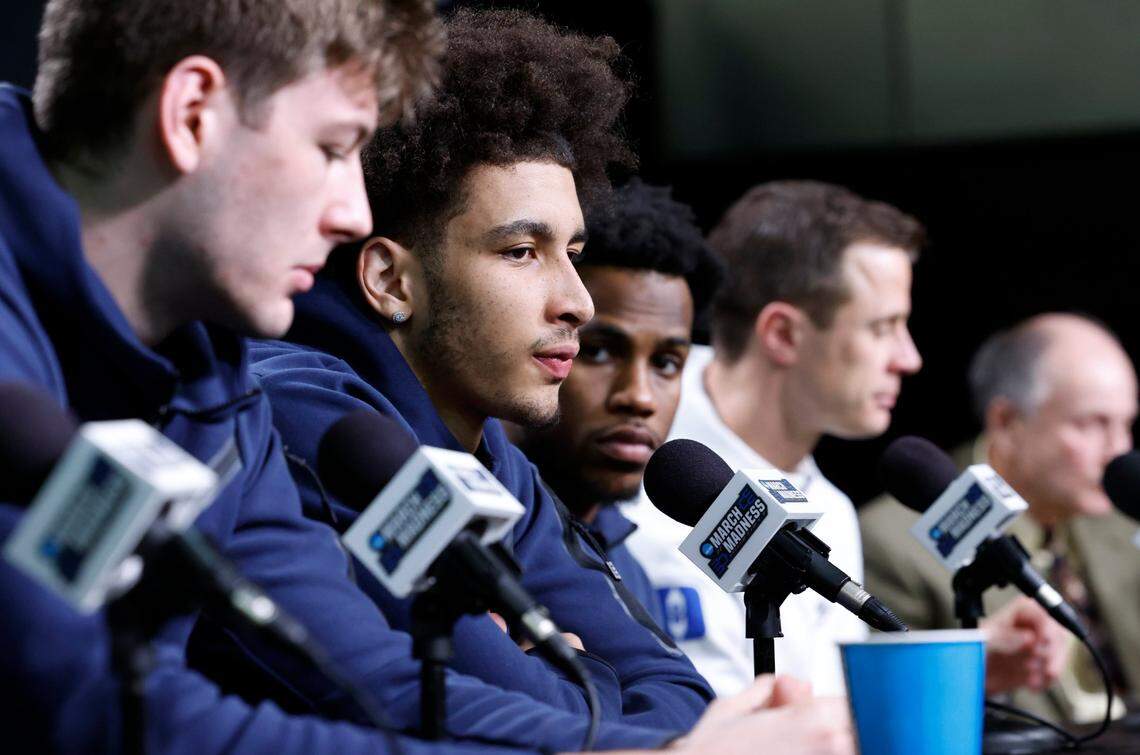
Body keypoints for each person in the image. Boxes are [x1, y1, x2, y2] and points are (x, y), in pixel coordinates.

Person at [248, 11, 853, 753]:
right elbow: (432, 700)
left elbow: (679, 695)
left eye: (572, 250)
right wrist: (588, 684)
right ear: (388, 278)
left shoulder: (498, 460)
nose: (578, 301)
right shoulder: (306, 414)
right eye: (522, 251)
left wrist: (561, 678)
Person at [0, 0, 540, 752]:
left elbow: (365, 676)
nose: (354, 213)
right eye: (332, 147)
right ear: (191, 114)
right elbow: (91, 708)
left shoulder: (213, 375)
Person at [622, 180, 1067, 700]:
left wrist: (964, 667)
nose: (909, 358)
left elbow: (826, 714)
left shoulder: (830, 509)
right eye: (884, 327)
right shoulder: (622, 444)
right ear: (784, 335)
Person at [861, 312, 1139, 724]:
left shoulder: (1117, 522)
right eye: (1092, 424)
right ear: (1006, 422)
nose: (1119, 449)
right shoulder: (894, 542)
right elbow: (890, 713)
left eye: (1127, 424)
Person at [514, 178, 722, 629]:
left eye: (667, 363)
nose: (639, 397)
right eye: (601, 351)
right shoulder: (486, 540)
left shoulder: (631, 570)